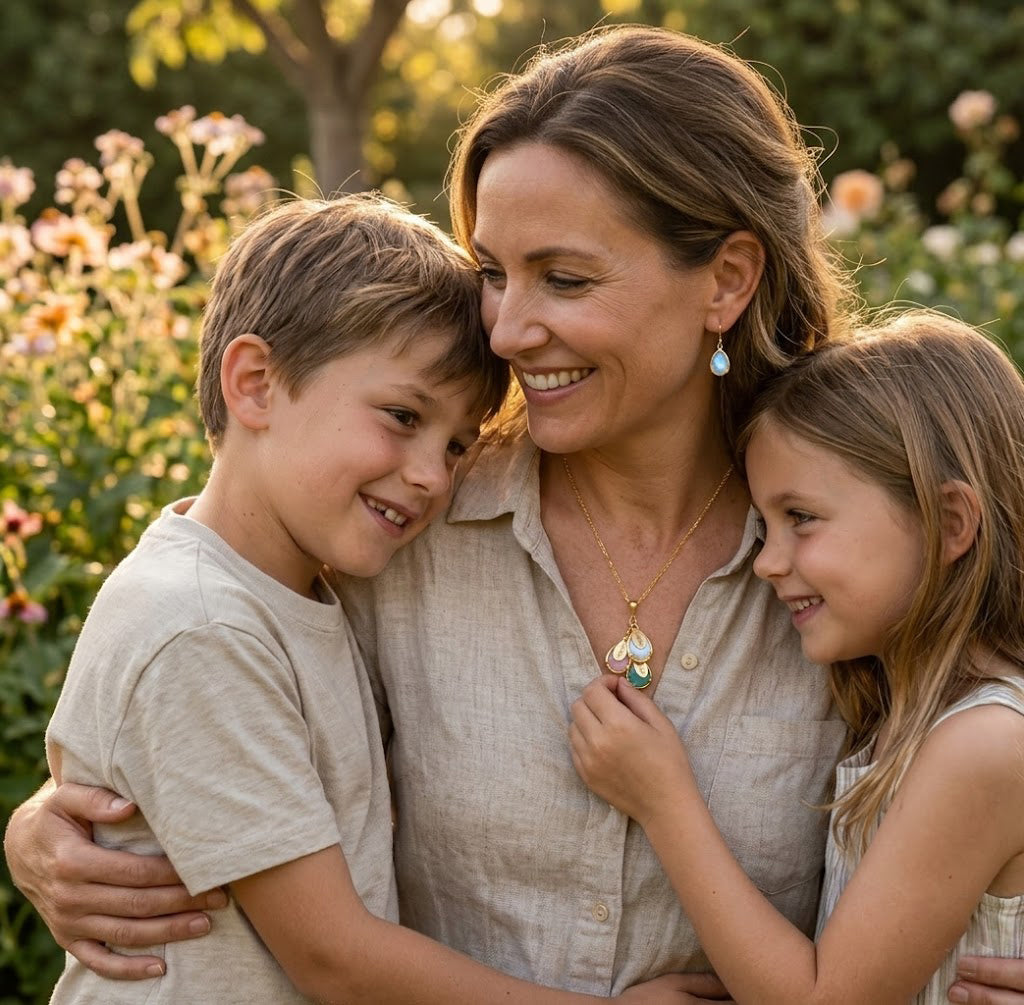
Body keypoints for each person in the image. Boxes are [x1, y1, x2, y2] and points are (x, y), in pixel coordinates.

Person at [5, 25, 1024, 1005]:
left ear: (725, 278)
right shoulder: (406, 519)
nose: (507, 325)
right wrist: (65, 821)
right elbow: (208, 632)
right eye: (492, 271)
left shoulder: (839, 546)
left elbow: (989, 734)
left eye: (564, 278)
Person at [38, 192, 691, 1004]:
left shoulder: (295, 590)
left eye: (456, 444)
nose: (432, 474)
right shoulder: (202, 625)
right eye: (401, 415)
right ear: (256, 384)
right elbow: (334, 958)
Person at [570, 311, 1024, 1004]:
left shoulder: (983, 741)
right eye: (764, 525)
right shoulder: (906, 715)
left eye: (802, 518)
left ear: (951, 523)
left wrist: (663, 801)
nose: (768, 562)